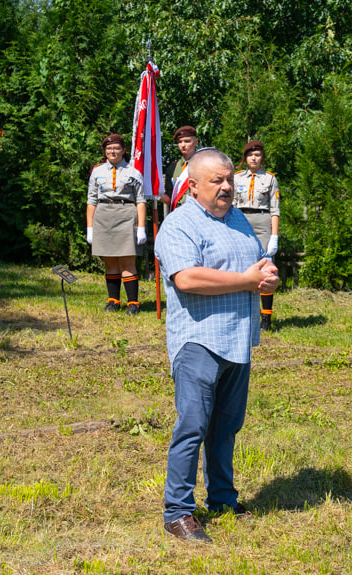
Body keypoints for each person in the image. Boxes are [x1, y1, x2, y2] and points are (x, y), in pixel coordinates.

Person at [155, 148, 280, 543]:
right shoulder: (179, 226)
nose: (227, 187)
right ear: (192, 186)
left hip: (237, 339)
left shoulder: (239, 219)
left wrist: (269, 274)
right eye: (218, 181)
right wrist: (246, 281)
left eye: (230, 180)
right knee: (192, 426)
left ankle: (223, 500)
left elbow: (258, 262)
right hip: (199, 341)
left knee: (225, 427)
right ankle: (177, 512)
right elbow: (187, 278)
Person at [86, 133, 147, 314]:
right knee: (110, 261)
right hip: (103, 216)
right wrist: (90, 228)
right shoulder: (97, 172)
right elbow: (91, 201)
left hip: (126, 215)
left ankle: (133, 303)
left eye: (116, 148)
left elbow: (141, 201)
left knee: (127, 260)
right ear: (105, 151)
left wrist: (141, 228)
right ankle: (113, 301)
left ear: (123, 150)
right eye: (109, 148)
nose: (113, 151)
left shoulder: (133, 172)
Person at [233, 140, 281, 332]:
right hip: (241, 219)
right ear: (245, 158)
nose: (254, 158)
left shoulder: (270, 179)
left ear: (262, 158)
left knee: (266, 269)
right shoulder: (237, 178)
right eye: (250, 155)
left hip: (262, 222)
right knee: (241, 266)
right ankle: (243, 315)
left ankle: (266, 317)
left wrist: (274, 236)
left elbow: (275, 210)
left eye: (258, 155)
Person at [162, 125, 199, 209]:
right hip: (180, 212)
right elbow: (170, 198)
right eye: (180, 142)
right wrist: (156, 193)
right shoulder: (173, 168)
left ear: (196, 142)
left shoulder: (204, 164)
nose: (183, 145)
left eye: (187, 141)